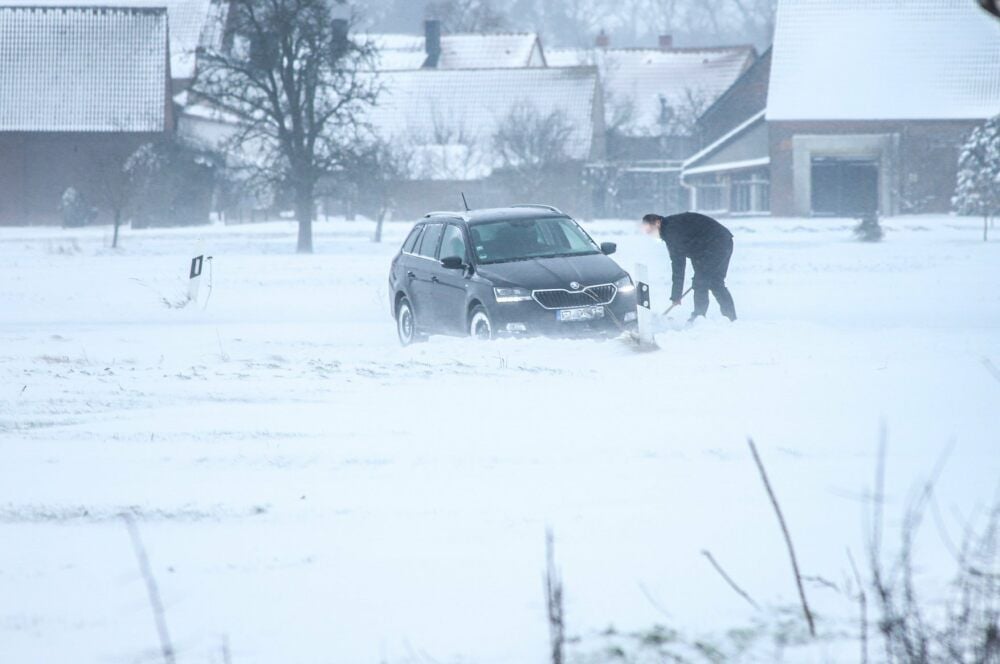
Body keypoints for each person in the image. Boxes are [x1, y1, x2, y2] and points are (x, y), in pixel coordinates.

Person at [641, 212, 737, 322]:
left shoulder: (671, 231)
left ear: (657, 223)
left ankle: (699, 317)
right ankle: (731, 318)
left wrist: (676, 296)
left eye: (650, 230)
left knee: (701, 282)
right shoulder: (670, 228)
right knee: (714, 283)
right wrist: (676, 295)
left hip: (716, 244)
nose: (650, 234)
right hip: (716, 244)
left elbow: (678, 265)